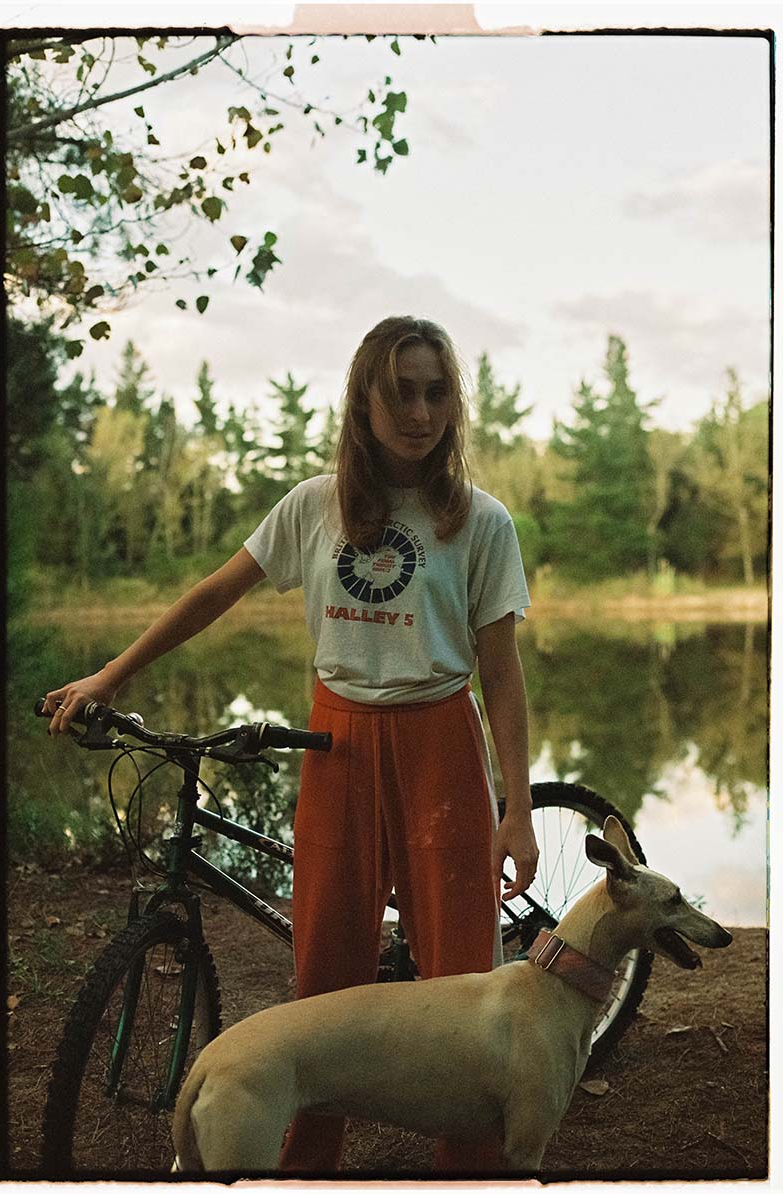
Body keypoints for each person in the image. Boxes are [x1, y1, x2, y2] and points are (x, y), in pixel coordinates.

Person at [43, 315, 539, 1173]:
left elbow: (501, 673)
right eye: (401, 392)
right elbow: (214, 592)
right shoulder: (315, 505)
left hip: (441, 745)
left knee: (463, 981)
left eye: (436, 393)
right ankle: (308, 1164)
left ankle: (469, 1168)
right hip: (336, 741)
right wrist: (112, 676)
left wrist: (518, 807)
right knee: (325, 970)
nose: (420, 412)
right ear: (364, 401)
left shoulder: (479, 520)